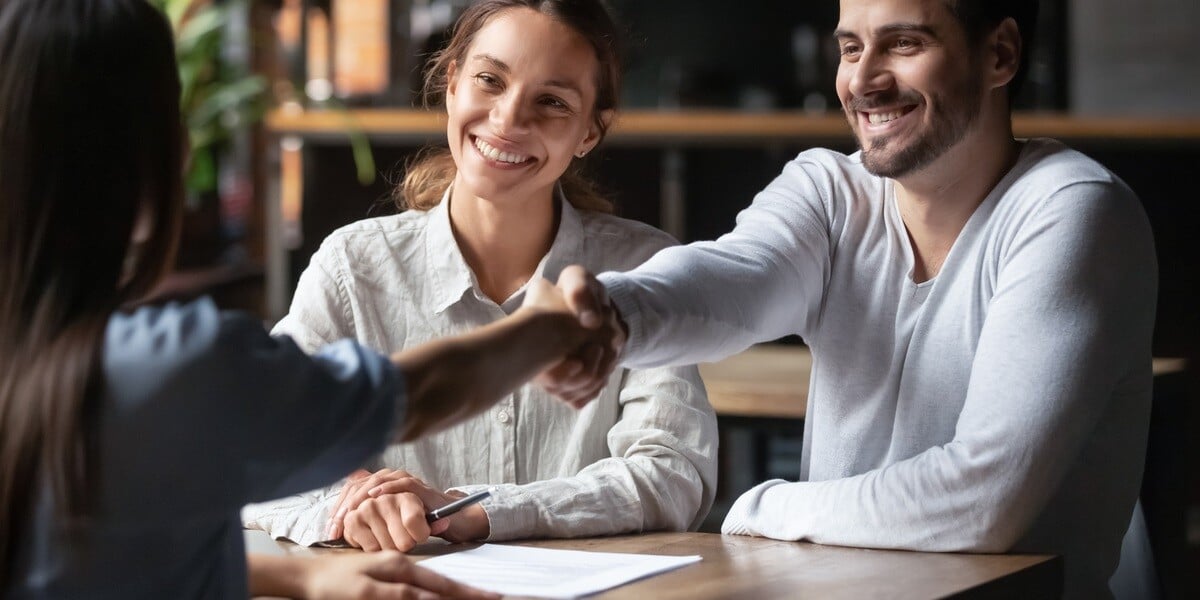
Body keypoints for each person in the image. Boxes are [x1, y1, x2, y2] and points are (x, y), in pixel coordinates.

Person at [540, 0, 1158, 598]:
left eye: (904, 43)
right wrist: (610, 314)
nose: (862, 80)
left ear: (999, 54)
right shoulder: (831, 190)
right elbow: (729, 279)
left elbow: (982, 501)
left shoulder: (1073, 208)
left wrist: (762, 506)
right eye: (850, 47)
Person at [0, 0, 608, 597]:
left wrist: (297, 574)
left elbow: (116, 561)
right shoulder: (172, 366)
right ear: (158, 158)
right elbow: (412, 396)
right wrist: (546, 331)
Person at [242, 0, 717, 551]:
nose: (509, 119)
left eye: (552, 102)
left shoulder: (645, 270)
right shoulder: (352, 268)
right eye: (490, 80)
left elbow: (672, 474)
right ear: (451, 84)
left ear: (591, 130)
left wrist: (470, 509)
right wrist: (351, 502)